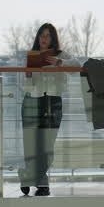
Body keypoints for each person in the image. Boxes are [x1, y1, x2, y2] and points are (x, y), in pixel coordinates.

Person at [20, 22, 65, 197]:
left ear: (53, 38)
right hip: (32, 101)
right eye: (41, 35)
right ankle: (41, 182)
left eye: (47, 36)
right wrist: (28, 75)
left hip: (52, 102)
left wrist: (59, 62)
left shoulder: (61, 55)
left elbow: (77, 65)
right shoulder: (32, 56)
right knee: (32, 145)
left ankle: (27, 176)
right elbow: (27, 87)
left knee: (47, 146)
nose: (44, 39)